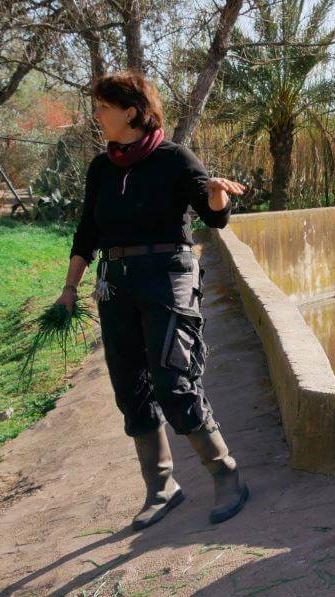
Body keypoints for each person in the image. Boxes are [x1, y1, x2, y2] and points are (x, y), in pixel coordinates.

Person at [56, 70, 249, 529]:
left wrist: (219, 198)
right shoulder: (101, 168)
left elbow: (213, 218)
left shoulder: (175, 159)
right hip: (116, 281)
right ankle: (161, 484)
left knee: (174, 382)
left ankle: (226, 475)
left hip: (168, 276)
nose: (96, 115)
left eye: (103, 107)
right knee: (130, 386)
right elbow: (88, 230)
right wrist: (69, 288)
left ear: (131, 112)